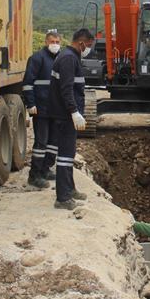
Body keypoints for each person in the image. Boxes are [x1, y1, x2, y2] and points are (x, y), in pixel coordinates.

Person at [47, 28, 93, 210]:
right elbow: (66, 89)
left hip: (65, 114)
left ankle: (70, 188)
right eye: (87, 46)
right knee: (65, 156)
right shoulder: (68, 59)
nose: (88, 49)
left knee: (69, 153)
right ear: (81, 43)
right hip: (65, 115)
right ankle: (63, 198)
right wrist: (74, 112)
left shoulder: (70, 56)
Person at [23, 31, 62, 189]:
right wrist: (30, 104)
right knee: (41, 142)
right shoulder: (37, 58)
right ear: (46, 42)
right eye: (52, 41)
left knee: (53, 142)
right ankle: (35, 175)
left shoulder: (60, 59)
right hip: (40, 109)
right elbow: (27, 83)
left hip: (55, 109)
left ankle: (46, 169)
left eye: (58, 42)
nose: (55, 44)